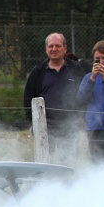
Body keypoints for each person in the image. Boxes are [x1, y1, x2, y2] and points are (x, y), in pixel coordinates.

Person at [23, 32, 86, 166]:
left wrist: (81, 116)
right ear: (46, 49)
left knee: (68, 164)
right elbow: (28, 98)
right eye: (51, 46)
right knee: (44, 164)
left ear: (65, 48)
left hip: (69, 125)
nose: (54, 49)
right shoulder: (38, 71)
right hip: (45, 125)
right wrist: (34, 122)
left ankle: (68, 186)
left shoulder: (76, 69)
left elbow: (85, 95)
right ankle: (46, 186)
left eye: (58, 45)